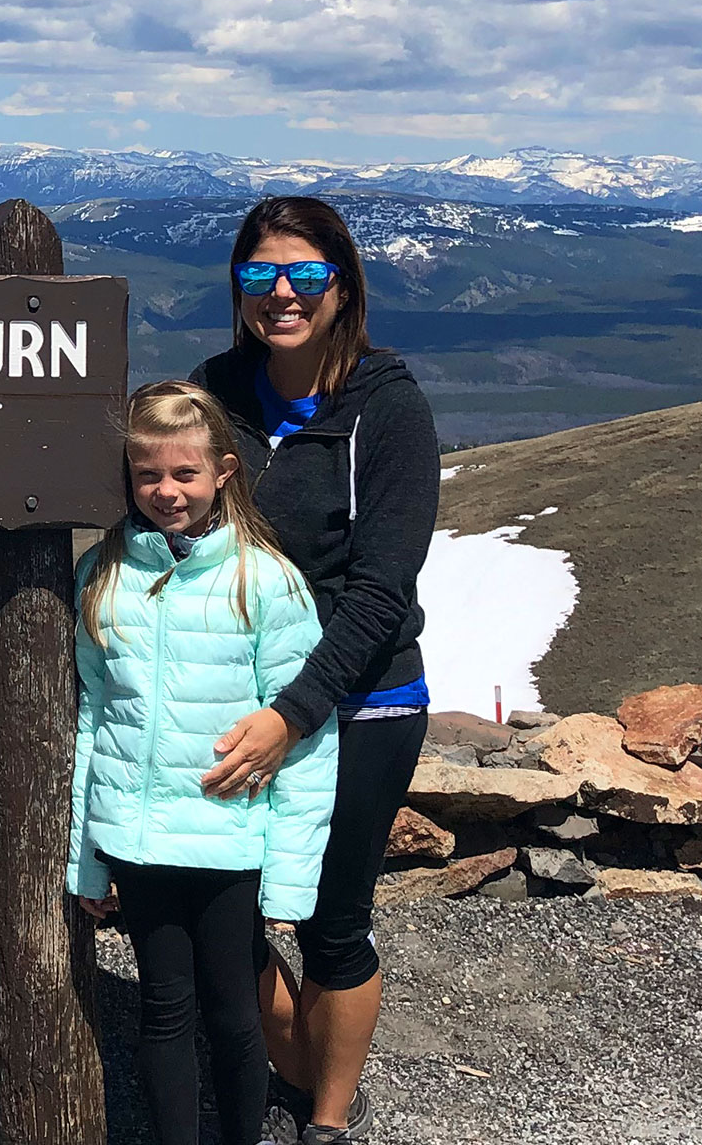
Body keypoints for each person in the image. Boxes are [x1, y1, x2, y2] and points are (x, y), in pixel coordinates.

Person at [187, 196, 438, 1145]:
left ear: (343, 285)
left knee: (332, 921)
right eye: (259, 275)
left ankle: (327, 1119)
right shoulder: (218, 388)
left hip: (364, 704)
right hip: (237, 696)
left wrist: (292, 716)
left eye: (303, 274)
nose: (281, 293)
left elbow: (381, 593)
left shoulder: (389, 407)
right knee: (230, 914)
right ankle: (290, 1063)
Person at [68, 380, 339, 1145]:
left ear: (223, 472)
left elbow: (307, 746)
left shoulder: (267, 581)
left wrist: (290, 879)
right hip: (141, 840)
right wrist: (88, 861)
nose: (166, 491)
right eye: (148, 474)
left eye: (185, 474)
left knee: (233, 1013)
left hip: (230, 842)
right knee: (163, 1010)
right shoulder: (102, 575)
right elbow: (94, 720)